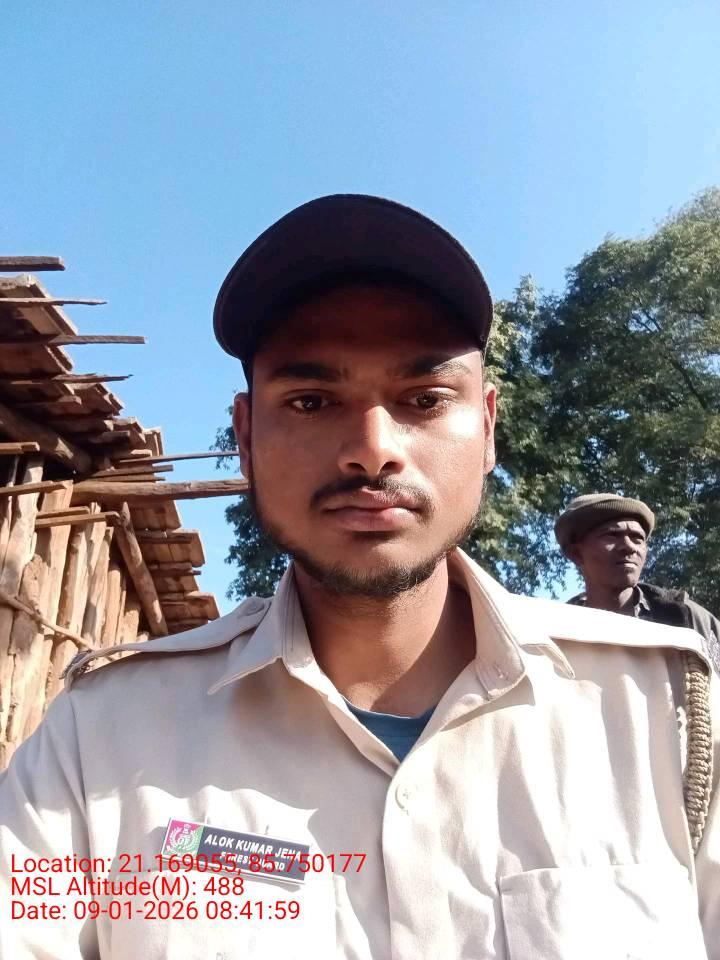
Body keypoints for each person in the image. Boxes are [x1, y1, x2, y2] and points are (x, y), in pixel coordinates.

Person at [1, 195, 718, 960]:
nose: (373, 450)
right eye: (311, 401)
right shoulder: (99, 739)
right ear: (245, 436)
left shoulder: (667, 711)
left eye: (424, 399)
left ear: (487, 428)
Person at [555, 493, 720, 674]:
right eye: (612, 535)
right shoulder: (558, 631)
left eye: (637, 538)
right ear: (576, 553)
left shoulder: (686, 618)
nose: (629, 547)